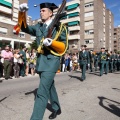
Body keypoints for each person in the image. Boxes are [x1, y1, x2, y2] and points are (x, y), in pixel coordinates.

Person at [18, 2, 68, 120]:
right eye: (40, 11)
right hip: (41, 62)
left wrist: (52, 43)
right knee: (50, 86)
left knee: (42, 92)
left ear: (50, 13)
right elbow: (23, 27)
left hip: (51, 61)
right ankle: (56, 107)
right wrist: (22, 13)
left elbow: (64, 46)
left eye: (43, 11)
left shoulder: (60, 27)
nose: (41, 12)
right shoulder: (38, 27)